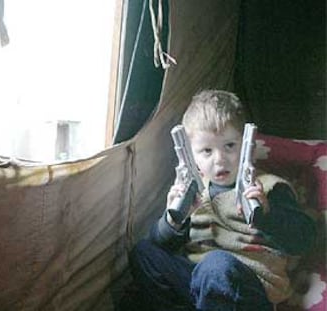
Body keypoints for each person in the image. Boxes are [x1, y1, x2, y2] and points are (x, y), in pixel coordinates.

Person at [123, 90, 317, 311]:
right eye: (206, 151)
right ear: (193, 157)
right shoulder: (196, 189)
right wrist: (173, 221)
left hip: (250, 289)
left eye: (229, 146)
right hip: (199, 285)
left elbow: (305, 238)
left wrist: (266, 215)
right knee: (144, 253)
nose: (220, 159)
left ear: (247, 144)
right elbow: (164, 244)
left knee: (216, 266)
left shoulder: (268, 187)